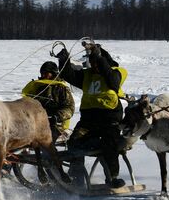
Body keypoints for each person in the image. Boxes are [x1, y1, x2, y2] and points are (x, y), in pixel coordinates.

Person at [55, 41, 129, 188]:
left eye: (97, 63)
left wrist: (99, 58)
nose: (94, 66)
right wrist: (64, 59)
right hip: (88, 122)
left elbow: (112, 82)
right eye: (92, 63)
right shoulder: (86, 75)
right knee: (74, 142)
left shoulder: (116, 72)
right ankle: (77, 179)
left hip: (110, 122)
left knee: (110, 144)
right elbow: (68, 75)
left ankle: (112, 177)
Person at [21, 61, 76, 145]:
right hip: (36, 124)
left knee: (45, 142)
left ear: (53, 74)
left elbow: (69, 108)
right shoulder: (37, 87)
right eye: (42, 73)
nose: (43, 75)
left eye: (46, 73)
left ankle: (48, 157)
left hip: (56, 125)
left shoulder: (61, 88)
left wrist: (57, 117)